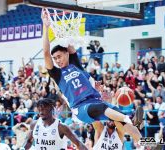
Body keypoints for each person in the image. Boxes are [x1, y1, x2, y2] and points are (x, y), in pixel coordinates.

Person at [41, 8, 142, 143]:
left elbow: (70, 46)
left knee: (126, 126)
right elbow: (46, 53)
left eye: (59, 56)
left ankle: (148, 143)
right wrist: (46, 26)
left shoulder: (75, 64)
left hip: (96, 101)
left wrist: (66, 28)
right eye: (55, 58)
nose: (57, 60)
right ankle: (128, 118)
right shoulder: (57, 74)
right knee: (110, 114)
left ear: (66, 54)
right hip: (81, 108)